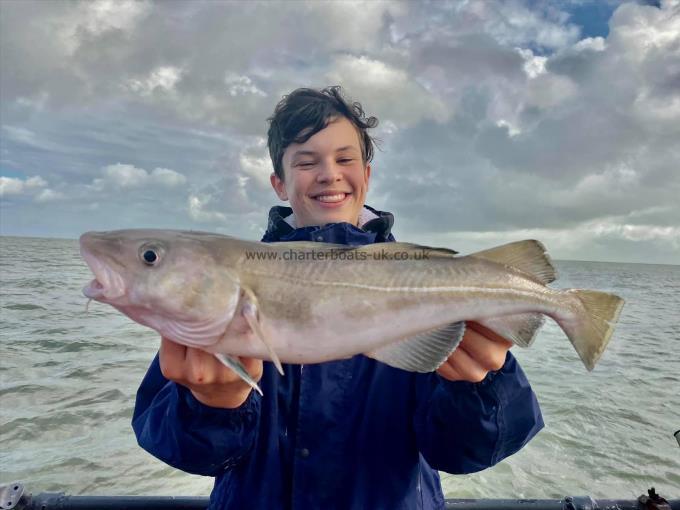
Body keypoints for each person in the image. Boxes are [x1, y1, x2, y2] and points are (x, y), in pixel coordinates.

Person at [132, 86, 544, 509]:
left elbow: (463, 453)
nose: (329, 174)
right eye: (306, 163)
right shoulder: (225, 286)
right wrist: (210, 405)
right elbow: (183, 450)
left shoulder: (425, 288)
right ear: (279, 183)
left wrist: (480, 386)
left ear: (367, 175)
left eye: (344, 159)